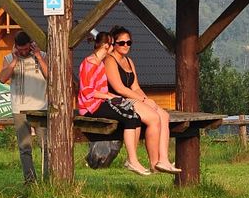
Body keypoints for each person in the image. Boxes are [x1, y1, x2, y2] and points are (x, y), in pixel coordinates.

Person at [105, 26, 181, 174]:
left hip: (133, 98)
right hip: (118, 100)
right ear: (114, 43)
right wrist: (143, 100)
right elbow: (119, 88)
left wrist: (147, 99)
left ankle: (163, 160)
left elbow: (135, 86)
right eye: (122, 43)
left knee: (163, 115)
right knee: (153, 118)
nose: (126, 46)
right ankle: (154, 162)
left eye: (129, 42)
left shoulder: (129, 61)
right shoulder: (110, 60)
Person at [78, 31, 150, 176]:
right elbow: (87, 91)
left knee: (135, 116)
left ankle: (133, 159)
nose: (113, 48)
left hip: (101, 102)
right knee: (129, 117)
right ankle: (132, 160)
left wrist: (114, 97)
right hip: (91, 106)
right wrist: (108, 97)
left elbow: (102, 89)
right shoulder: (89, 63)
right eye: (112, 45)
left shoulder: (100, 64)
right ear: (106, 46)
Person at [0, 30, 48, 184]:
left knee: (46, 146)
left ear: (31, 45)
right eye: (20, 50)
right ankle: (30, 180)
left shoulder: (42, 55)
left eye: (26, 49)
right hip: (19, 108)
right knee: (24, 147)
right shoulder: (9, 58)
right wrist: (14, 60)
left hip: (41, 107)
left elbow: (50, 76)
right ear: (15, 47)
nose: (24, 52)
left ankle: (48, 179)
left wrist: (38, 56)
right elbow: (2, 78)